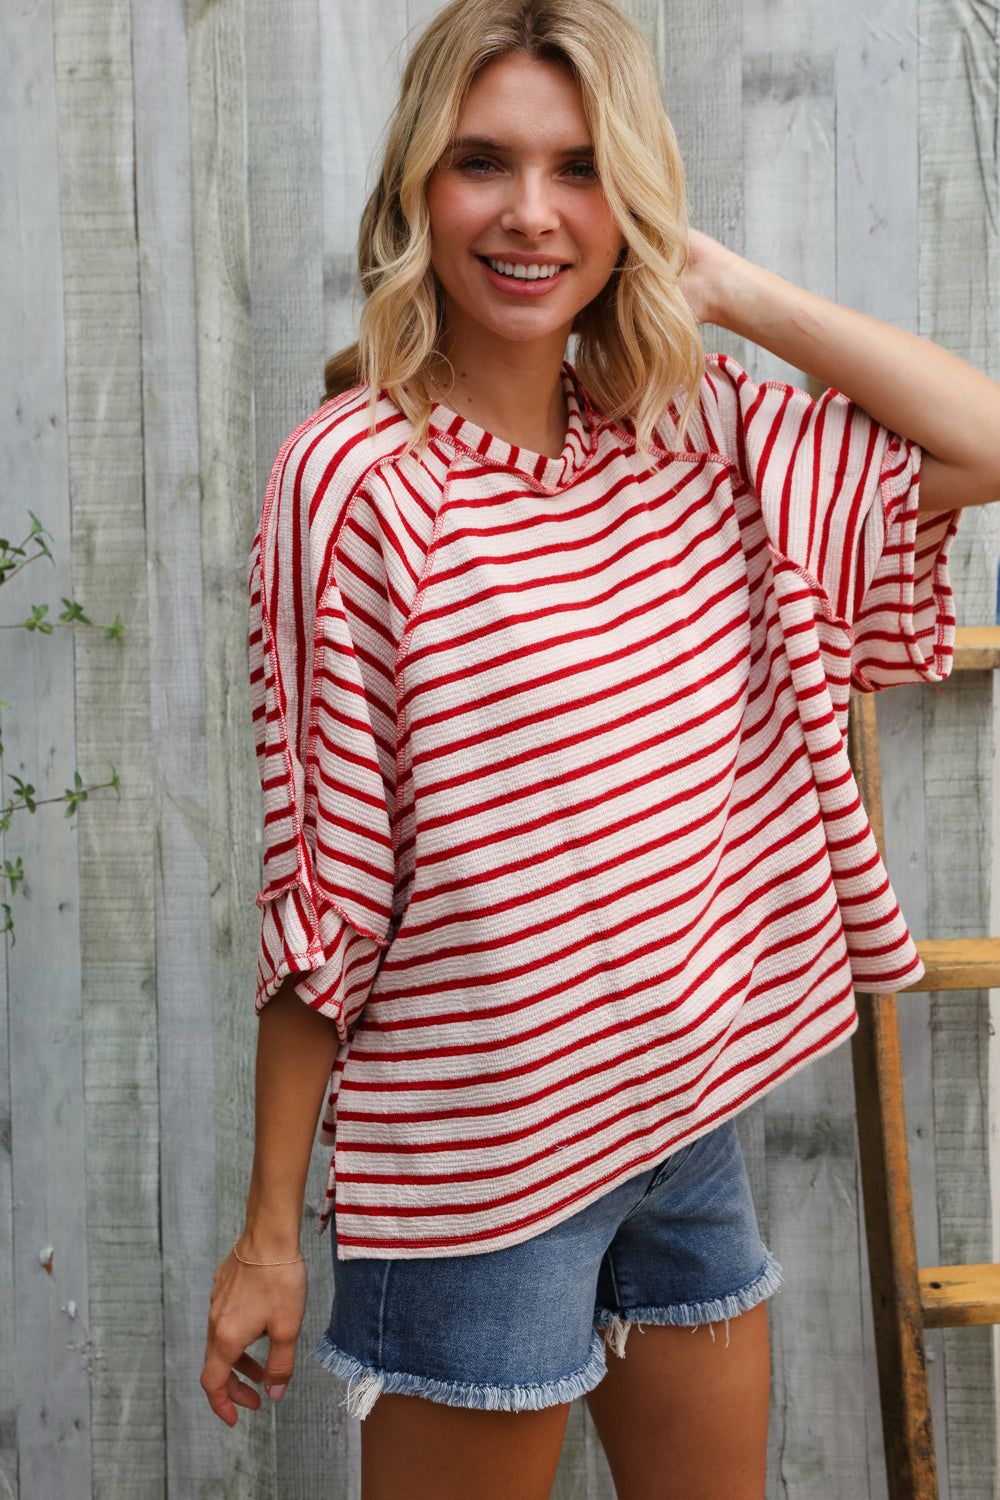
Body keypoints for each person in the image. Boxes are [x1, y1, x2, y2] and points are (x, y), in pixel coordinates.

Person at [200, 1, 1000, 1495]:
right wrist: (267, 1230)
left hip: (679, 1135)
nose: (526, 213)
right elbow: (330, 882)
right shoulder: (359, 481)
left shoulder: (687, 431)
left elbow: (985, 438)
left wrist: (720, 280)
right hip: (478, 1169)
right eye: (481, 162)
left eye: (579, 170)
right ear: (415, 191)